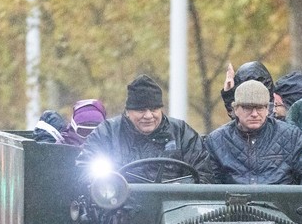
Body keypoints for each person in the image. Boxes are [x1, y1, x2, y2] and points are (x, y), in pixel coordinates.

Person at [76, 74, 211, 182]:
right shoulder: (107, 133)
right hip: (119, 207)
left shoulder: (181, 133)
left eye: (153, 109)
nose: (148, 116)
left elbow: (204, 173)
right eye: (141, 110)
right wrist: (112, 184)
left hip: (175, 209)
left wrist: (181, 187)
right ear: (128, 112)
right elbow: (84, 170)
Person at [204, 80, 302, 190]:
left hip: (283, 210)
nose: (254, 114)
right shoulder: (216, 141)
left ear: (267, 109)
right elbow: (208, 184)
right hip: (233, 212)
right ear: (235, 109)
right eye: (248, 108)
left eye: (259, 108)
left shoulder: (291, 136)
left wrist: (300, 198)